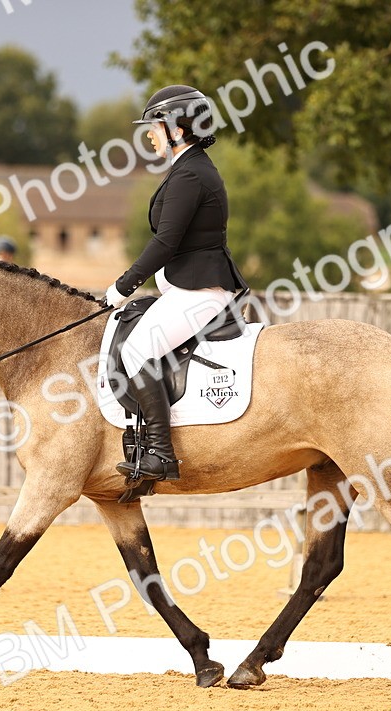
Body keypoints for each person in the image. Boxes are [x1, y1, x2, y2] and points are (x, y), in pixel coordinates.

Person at [104, 84, 249, 483]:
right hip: (188, 287)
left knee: (137, 350)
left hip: (200, 291)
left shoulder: (191, 174)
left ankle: (161, 455)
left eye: (154, 125)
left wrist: (123, 286)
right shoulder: (188, 168)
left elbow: (165, 242)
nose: (149, 133)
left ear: (177, 127)